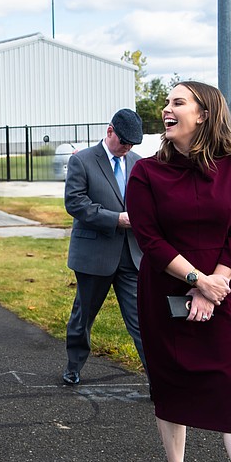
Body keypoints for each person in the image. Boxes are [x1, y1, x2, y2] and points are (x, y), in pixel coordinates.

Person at [127, 81, 231, 462]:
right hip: (166, 293)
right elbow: (150, 239)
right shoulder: (146, 172)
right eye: (167, 102)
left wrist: (213, 284)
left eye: (177, 102)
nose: (166, 109)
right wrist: (196, 279)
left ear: (203, 114)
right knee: (172, 387)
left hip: (224, 291)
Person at [61, 108, 147, 385]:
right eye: (123, 142)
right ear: (109, 131)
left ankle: (157, 380)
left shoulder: (138, 162)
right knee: (83, 317)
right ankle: (73, 366)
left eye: (132, 144)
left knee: (141, 321)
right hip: (94, 256)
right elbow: (75, 203)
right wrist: (116, 219)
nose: (127, 148)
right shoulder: (83, 161)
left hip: (131, 256)